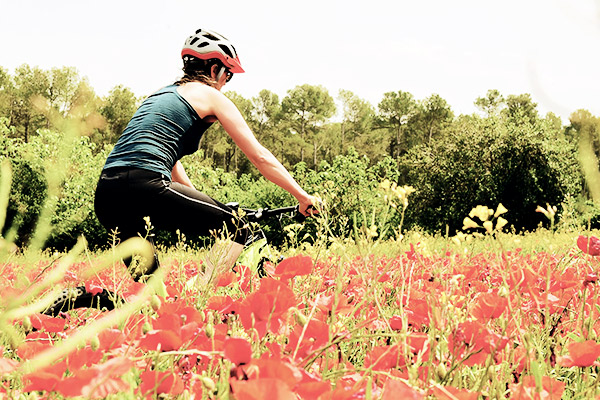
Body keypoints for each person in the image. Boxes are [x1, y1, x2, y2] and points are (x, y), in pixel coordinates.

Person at [94, 28, 318, 284]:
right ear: (215, 70)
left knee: (150, 293)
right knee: (235, 227)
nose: (226, 82)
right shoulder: (211, 96)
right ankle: (199, 296)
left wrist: (200, 199)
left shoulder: (160, 95)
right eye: (228, 75)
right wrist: (302, 196)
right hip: (145, 185)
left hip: (107, 194)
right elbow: (260, 157)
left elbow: (171, 157)